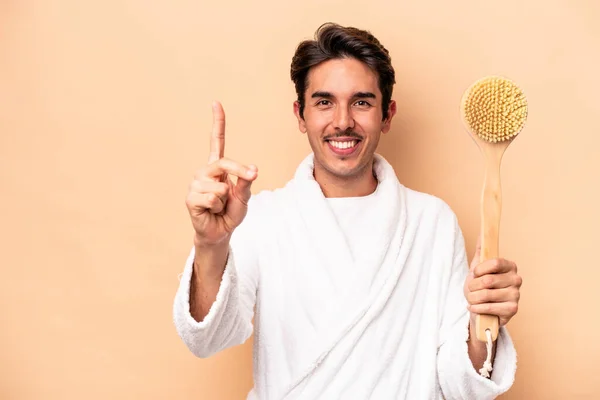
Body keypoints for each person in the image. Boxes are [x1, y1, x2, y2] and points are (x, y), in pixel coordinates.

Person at [173, 22, 522, 399]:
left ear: (387, 115)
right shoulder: (262, 217)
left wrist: (482, 320)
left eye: (361, 102)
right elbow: (207, 338)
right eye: (324, 102)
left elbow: (460, 384)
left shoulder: (431, 223)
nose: (342, 121)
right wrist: (210, 245)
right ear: (300, 114)